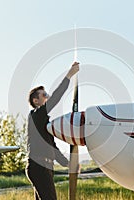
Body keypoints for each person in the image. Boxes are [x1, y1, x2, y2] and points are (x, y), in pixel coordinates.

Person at [26, 62, 80, 200]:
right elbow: (57, 96)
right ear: (36, 100)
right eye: (44, 94)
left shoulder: (43, 122)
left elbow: (52, 147)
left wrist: (68, 164)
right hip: (39, 167)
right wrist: (69, 75)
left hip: (45, 167)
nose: (47, 96)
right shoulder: (36, 115)